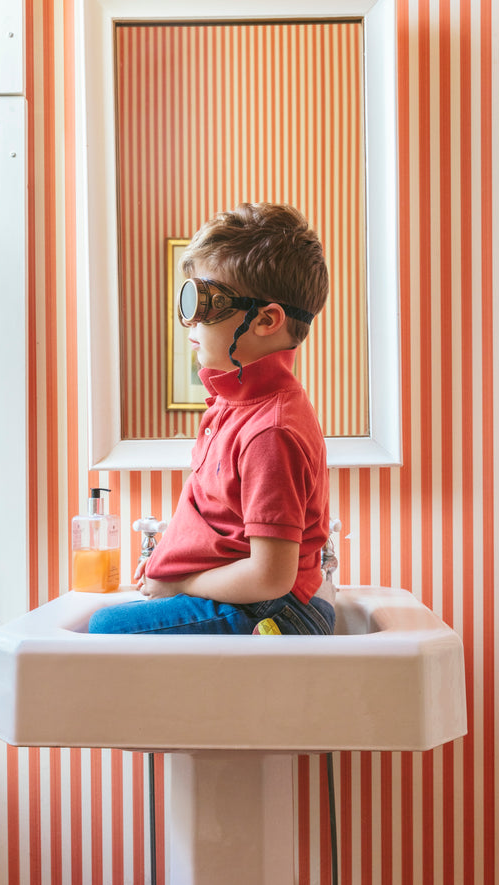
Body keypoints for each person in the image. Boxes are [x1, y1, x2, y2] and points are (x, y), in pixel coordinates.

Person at [88, 202, 334, 636]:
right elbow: (219, 527)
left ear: (266, 320)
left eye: (205, 302)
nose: (190, 321)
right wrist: (168, 559)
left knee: (107, 627)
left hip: (273, 610)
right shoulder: (235, 408)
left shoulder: (270, 429)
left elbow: (270, 576)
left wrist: (180, 580)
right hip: (259, 599)